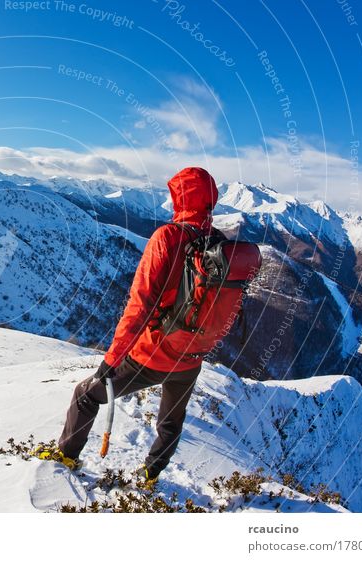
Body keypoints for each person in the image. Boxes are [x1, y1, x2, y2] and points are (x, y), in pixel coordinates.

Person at [34, 167, 220, 484]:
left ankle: (66, 456)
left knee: (85, 395)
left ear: (181, 197)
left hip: (154, 353)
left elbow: (141, 305)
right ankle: (150, 476)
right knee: (171, 421)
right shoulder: (218, 243)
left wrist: (112, 360)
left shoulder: (168, 238)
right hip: (192, 356)